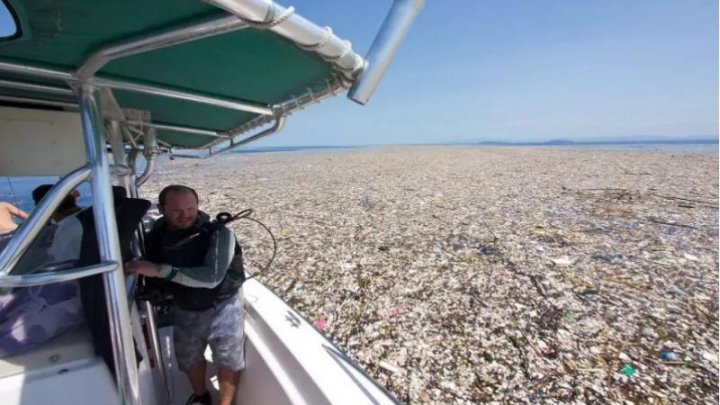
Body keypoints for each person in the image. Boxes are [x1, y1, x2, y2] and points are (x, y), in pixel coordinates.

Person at [126, 185, 245, 405]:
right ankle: (201, 396)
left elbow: (212, 277)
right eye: (177, 210)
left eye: (191, 208)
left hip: (223, 307)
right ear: (162, 208)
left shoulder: (219, 234)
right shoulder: (157, 236)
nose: (185, 215)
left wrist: (160, 270)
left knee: (228, 359)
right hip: (185, 305)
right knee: (189, 358)